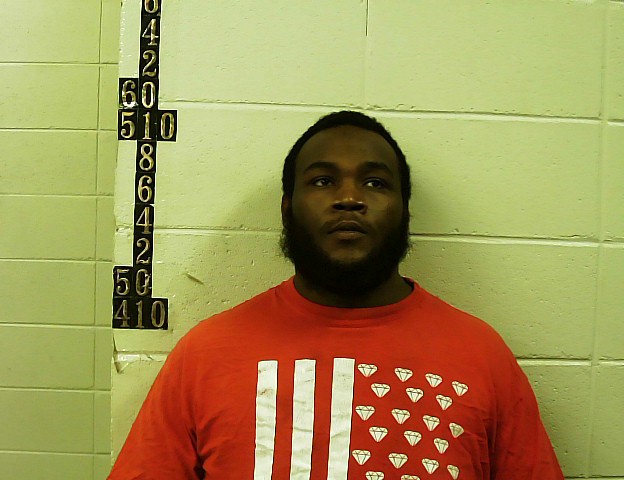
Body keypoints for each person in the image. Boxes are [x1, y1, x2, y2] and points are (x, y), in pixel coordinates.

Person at [108, 111, 564, 479]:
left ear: (405, 211)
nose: (350, 198)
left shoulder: (481, 357)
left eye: (375, 183)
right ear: (287, 209)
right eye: (323, 181)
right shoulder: (207, 355)